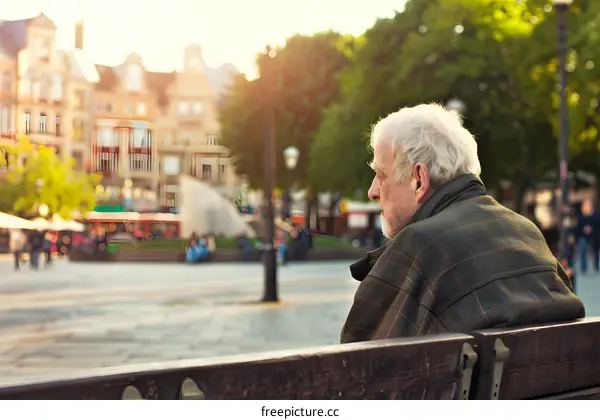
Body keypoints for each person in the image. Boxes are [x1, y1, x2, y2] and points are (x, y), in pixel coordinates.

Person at [341, 103, 585, 343]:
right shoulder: (527, 232)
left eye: (381, 175)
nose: (373, 191)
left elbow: (356, 363)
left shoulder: (418, 245)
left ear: (418, 179)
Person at [574, 198, 600, 274]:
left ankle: (596, 265)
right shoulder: (580, 217)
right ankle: (583, 267)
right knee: (582, 246)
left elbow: (598, 226)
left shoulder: (596, 215)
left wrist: (592, 229)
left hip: (595, 236)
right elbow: (577, 229)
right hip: (583, 236)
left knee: (596, 250)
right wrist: (583, 230)